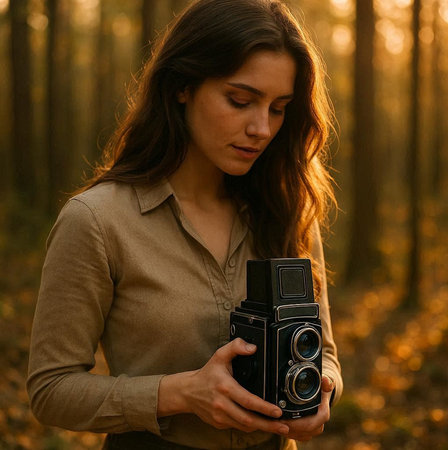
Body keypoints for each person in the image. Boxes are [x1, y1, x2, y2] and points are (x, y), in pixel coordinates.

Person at [27, 0, 343, 448]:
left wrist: (323, 391)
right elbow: (50, 390)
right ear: (182, 86)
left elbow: (325, 353)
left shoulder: (288, 207)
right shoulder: (98, 221)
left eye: (278, 108)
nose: (261, 127)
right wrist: (177, 394)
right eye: (240, 100)